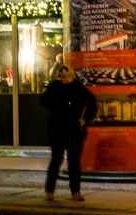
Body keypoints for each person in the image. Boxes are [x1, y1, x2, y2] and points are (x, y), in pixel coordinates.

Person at [40, 65, 97, 201]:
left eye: (66, 75)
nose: (64, 78)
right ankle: (50, 191)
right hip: (57, 129)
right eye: (61, 76)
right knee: (56, 160)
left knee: (74, 162)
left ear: (71, 75)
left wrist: (85, 119)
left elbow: (92, 103)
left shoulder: (78, 88)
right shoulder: (54, 87)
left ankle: (75, 191)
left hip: (74, 129)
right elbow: (44, 101)